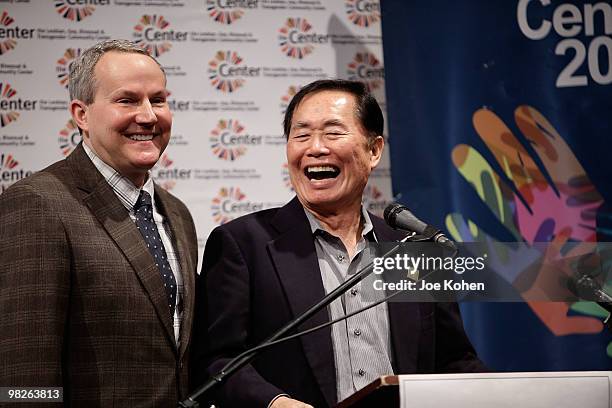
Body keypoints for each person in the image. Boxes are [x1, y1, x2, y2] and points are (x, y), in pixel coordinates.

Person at [192, 79, 486, 408]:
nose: (314, 147)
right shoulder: (244, 244)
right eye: (301, 135)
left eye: (333, 133)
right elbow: (216, 361)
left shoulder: (411, 250)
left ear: (374, 151)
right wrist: (276, 403)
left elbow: (453, 360)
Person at [0, 39, 198, 406]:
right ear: (82, 114)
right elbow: (22, 373)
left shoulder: (178, 213)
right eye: (127, 100)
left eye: (157, 99)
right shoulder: (37, 204)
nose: (149, 116)